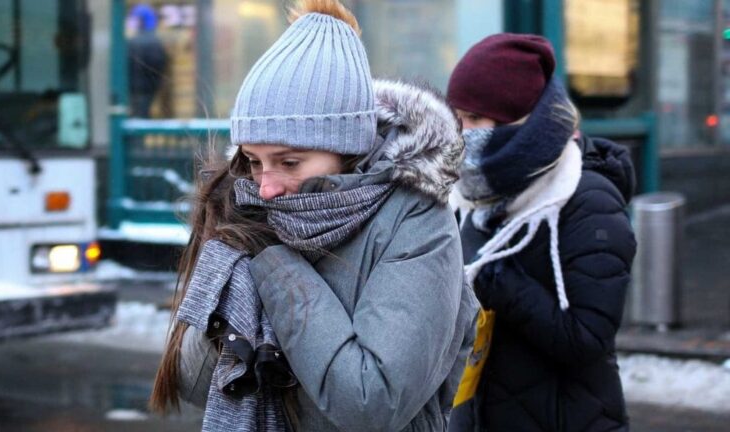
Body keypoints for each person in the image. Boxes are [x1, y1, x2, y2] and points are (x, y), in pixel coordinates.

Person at [151, 1, 477, 431]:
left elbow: (368, 402)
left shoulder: (416, 221)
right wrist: (229, 271)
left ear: (347, 149)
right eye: (253, 160)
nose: (266, 185)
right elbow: (193, 383)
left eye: (289, 163)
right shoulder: (253, 210)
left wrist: (274, 264)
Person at [446, 33, 637, 432]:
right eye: (457, 117)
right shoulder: (471, 199)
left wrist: (496, 280)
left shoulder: (588, 201)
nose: (461, 132)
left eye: (475, 119)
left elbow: (585, 337)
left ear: (519, 123)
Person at [127, 4, 167, 118]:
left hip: (137, 91)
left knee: (136, 120)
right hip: (146, 91)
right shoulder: (154, 41)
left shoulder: (136, 41)